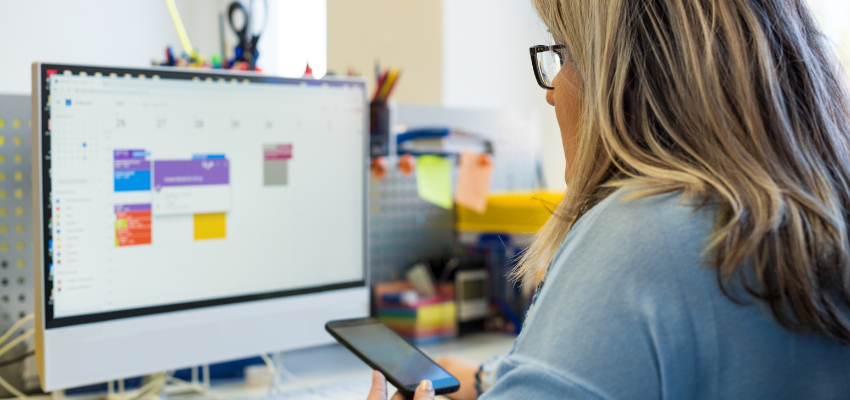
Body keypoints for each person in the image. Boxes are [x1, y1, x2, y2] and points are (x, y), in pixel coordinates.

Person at [368, 0, 850, 398]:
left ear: (625, 77)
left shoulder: (643, 231)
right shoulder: (816, 216)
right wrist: (491, 378)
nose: (552, 93)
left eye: (563, 53)